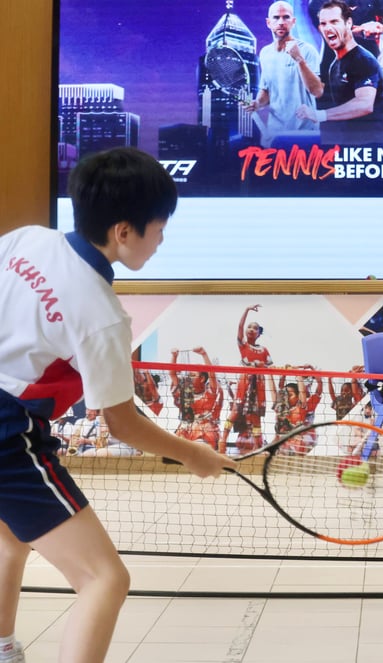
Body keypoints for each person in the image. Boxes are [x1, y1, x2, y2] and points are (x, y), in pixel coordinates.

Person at [0, 147, 233, 663]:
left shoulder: (25, 239)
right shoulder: (101, 313)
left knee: (11, 540)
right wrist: (192, 453)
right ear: (124, 231)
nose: (162, 238)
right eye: (159, 227)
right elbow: (121, 422)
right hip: (5, 433)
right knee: (104, 579)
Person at [298, 0, 383, 145]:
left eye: (334, 22)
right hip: (347, 147)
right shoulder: (335, 65)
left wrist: (320, 115)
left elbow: (364, 105)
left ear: (348, 23)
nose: (328, 28)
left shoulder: (364, 60)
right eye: (323, 24)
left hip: (372, 148)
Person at [244, 1, 324, 146]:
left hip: (305, 134)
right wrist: (256, 104)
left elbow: (317, 91)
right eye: (276, 18)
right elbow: (267, 91)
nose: (281, 22)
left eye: (286, 17)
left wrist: (299, 59)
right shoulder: (265, 53)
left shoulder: (308, 50)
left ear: (293, 21)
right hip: (275, 135)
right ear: (268, 23)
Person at [229, 305, 273, 451]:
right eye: (249, 327)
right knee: (235, 412)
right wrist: (246, 310)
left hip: (258, 385)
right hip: (245, 383)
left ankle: (257, 446)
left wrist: (261, 366)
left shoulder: (264, 350)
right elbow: (240, 326)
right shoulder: (243, 345)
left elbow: (270, 367)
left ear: (259, 334)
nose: (251, 329)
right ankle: (222, 442)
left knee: (255, 417)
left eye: (255, 328)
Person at [169, 347, 222, 451]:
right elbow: (172, 374)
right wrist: (174, 356)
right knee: (175, 448)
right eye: (189, 375)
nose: (189, 378)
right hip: (186, 427)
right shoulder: (185, 391)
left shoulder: (210, 393)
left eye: (192, 375)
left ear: (202, 379)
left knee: (198, 448)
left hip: (205, 429)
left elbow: (212, 374)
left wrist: (204, 354)